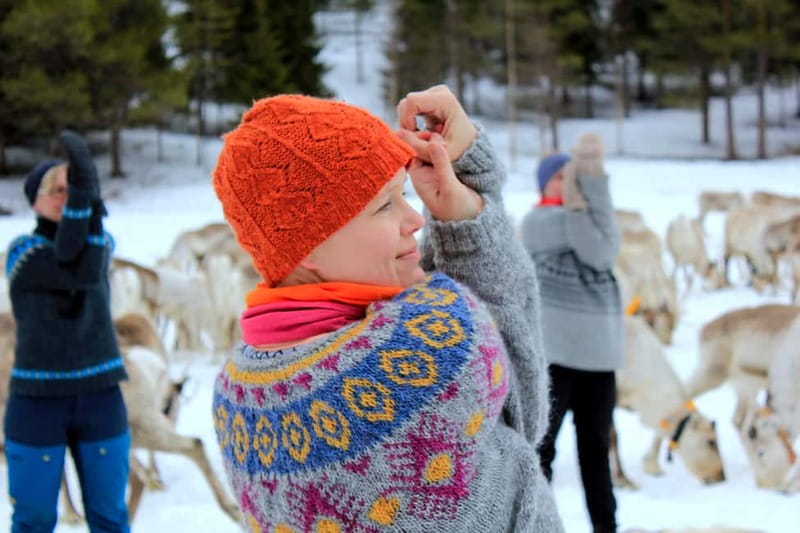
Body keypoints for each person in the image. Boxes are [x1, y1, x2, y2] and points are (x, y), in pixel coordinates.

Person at [210, 85, 564, 532]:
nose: (414, 219)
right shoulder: (426, 354)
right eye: (383, 206)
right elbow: (520, 413)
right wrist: (472, 203)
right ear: (306, 247)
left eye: (404, 195)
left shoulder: (238, 400)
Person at [4, 132, 130, 532]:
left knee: (109, 517)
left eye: (72, 189)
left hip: (101, 396)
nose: (66, 197)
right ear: (34, 201)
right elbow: (71, 268)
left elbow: (87, 267)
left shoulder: (100, 241)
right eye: (56, 190)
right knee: (34, 519)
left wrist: (86, 200)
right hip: (38, 402)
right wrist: (86, 198)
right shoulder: (22, 254)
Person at [519, 135, 623, 533]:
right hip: (555, 359)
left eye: (574, 177)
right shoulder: (537, 223)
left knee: (596, 455)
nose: (568, 185)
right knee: (542, 452)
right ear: (543, 184)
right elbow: (599, 251)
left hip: (599, 360)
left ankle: (606, 528)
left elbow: (601, 248)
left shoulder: (588, 222)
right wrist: (587, 206)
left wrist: (587, 201)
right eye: (560, 177)